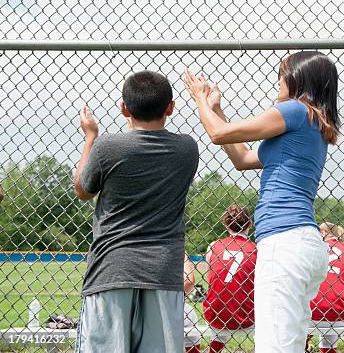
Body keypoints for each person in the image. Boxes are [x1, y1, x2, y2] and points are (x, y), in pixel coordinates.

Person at [184, 51, 339, 353]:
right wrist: (219, 110)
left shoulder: (295, 110)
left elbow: (217, 135)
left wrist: (200, 99)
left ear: (299, 79)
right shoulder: (311, 121)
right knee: (288, 344)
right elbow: (242, 158)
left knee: (274, 346)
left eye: (283, 73)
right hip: (300, 244)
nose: (278, 80)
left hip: (285, 244)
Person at [73, 70, 199, 353]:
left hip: (112, 269)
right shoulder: (187, 148)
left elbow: (83, 190)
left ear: (123, 108)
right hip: (163, 272)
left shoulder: (108, 147)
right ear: (171, 107)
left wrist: (91, 137)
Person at [202, 205, 257, 353]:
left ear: (225, 224)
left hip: (214, 314)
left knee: (224, 301)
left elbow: (211, 277)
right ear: (250, 224)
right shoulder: (256, 249)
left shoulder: (213, 246)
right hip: (247, 318)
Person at [308, 223, 344, 353]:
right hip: (342, 315)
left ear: (323, 232)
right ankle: (328, 350)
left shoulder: (311, 246)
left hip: (310, 314)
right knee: (331, 302)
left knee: (307, 308)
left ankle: (303, 343)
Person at [184, 253, 201, 353]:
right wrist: (184, 256)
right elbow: (189, 281)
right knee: (189, 313)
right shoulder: (173, 243)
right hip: (174, 305)